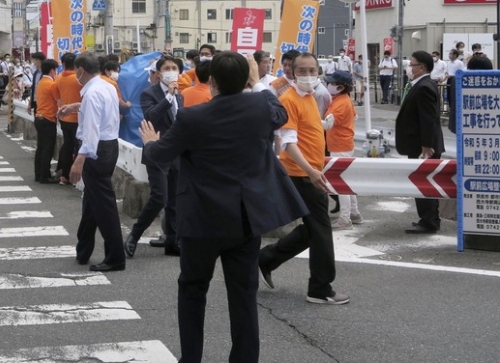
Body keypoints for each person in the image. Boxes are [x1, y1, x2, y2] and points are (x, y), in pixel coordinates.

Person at [139, 51, 307, 363]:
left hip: (200, 219)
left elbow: (159, 155)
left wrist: (149, 143)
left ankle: (191, 358)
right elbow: (279, 112)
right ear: (246, 79)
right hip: (244, 218)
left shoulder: (192, 117)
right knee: (243, 296)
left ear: (211, 80)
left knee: (193, 290)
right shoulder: (261, 107)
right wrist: (257, 83)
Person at [259, 52, 350, 305]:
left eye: (312, 70)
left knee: (313, 230)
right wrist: (310, 171)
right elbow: (288, 143)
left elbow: (307, 127)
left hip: (309, 172)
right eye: (302, 71)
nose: (308, 75)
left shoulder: (309, 96)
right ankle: (320, 288)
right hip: (302, 174)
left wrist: (323, 125)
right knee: (321, 230)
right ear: (292, 72)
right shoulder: (289, 99)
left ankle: (266, 258)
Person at [60, 53, 125, 272]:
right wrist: (75, 107)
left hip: (96, 150)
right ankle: (84, 249)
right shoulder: (106, 86)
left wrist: (79, 159)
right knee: (92, 201)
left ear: (80, 70)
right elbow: (100, 113)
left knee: (104, 205)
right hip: (109, 146)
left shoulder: (93, 92)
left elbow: (91, 130)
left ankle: (115, 257)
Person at [124, 55, 184, 258]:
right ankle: (134, 235)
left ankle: (172, 241)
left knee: (174, 199)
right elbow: (151, 116)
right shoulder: (149, 93)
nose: (171, 71)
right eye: (167, 68)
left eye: (175, 68)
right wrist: (168, 97)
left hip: (176, 152)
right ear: (158, 73)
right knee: (160, 197)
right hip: (157, 151)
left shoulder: (180, 96)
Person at [395, 51, 445, 234]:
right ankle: (427, 219)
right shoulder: (421, 84)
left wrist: (427, 145)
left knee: (424, 181)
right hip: (419, 144)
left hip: (423, 147)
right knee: (422, 181)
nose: (409, 67)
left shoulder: (424, 87)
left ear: (421, 67)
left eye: (412, 64)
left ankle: (429, 221)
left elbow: (428, 119)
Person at [324, 71, 362, 230]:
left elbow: (327, 125)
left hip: (340, 146)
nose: (329, 85)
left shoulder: (340, 103)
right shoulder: (344, 99)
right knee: (346, 181)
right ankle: (354, 213)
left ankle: (345, 219)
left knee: (340, 184)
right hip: (344, 144)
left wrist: (308, 119)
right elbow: (355, 117)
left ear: (341, 87)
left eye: (332, 83)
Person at [53, 53, 82, 185]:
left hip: (64, 117)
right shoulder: (79, 79)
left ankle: (65, 175)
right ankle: (76, 177)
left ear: (63, 63)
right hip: (78, 118)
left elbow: (57, 98)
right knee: (78, 147)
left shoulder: (58, 78)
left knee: (67, 145)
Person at [33, 59, 60, 183]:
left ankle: (38, 174)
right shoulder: (52, 84)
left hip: (39, 117)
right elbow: (59, 101)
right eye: (56, 70)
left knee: (41, 147)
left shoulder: (41, 82)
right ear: (52, 70)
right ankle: (45, 176)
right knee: (47, 149)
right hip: (48, 118)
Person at [444, 49, 466, 133]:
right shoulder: (448, 63)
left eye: (451, 54)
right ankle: (450, 109)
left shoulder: (459, 63)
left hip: (455, 79)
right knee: (449, 95)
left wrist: (453, 75)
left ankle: (455, 110)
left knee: (455, 96)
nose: (449, 55)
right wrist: (446, 74)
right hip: (449, 79)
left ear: (455, 55)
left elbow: (461, 71)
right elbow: (446, 71)